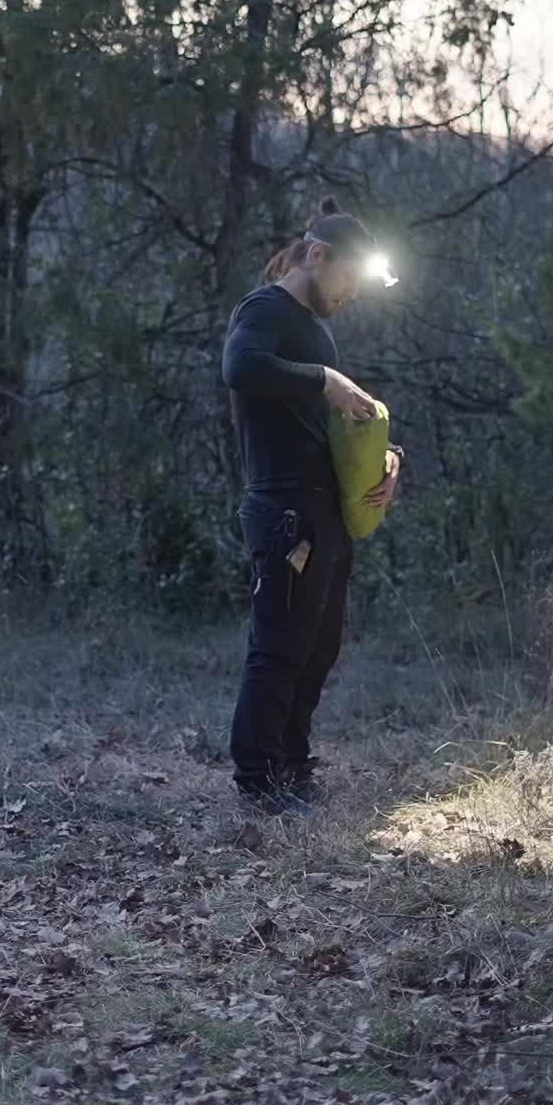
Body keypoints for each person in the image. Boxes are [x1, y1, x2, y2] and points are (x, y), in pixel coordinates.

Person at [221, 196, 402, 814]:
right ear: (317, 256)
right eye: (348, 276)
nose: (352, 291)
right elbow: (241, 367)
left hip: (325, 508)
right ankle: (258, 780)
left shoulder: (316, 326)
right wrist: (324, 379)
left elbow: (324, 425)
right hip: (283, 510)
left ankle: (292, 769)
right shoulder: (264, 309)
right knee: (279, 646)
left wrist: (387, 462)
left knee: (319, 645)